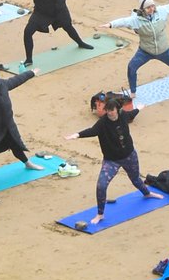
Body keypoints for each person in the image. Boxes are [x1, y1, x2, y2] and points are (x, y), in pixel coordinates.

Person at [65, 94, 163, 226]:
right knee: (101, 185)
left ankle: (147, 193)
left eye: (112, 110)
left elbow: (132, 113)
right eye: (107, 110)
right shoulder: (103, 123)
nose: (109, 113)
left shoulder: (123, 115)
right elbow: (92, 131)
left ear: (117, 109)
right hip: (111, 161)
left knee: (135, 179)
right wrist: (77, 135)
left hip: (129, 156)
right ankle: (100, 214)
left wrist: (139, 108)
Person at [108, 0, 169, 94]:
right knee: (131, 67)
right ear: (143, 9)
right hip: (145, 51)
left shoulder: (161, 11)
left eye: (153, 6)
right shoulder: (136, 20)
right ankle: (133, 92)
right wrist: (110, 24)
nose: (152, 9)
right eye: (148, 8)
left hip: (163, 50)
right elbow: (124, 21)